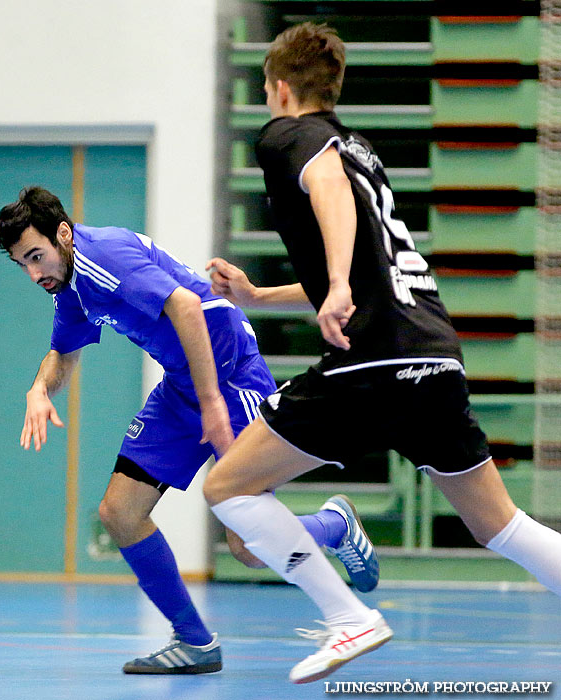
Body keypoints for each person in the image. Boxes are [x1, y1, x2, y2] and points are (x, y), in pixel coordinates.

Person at [203, 22, 561, 684]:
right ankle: (351, 614)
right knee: (499, 524)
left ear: (279, 89)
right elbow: (366, 262)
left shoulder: (290, 136)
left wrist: (336, 285)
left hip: (372, 363)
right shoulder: (360, 149)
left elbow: (329, 198)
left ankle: (350, 619)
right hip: (432, 353)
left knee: (228, 485)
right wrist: (262, 292)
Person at [0, 186, 379, 675]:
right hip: (183, 385)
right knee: (119, 513)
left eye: (36, 257)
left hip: (231, 373)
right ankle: (194, 641)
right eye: (22, 264)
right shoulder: (68, 281)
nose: (34, 274)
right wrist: (38, 391)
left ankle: (336, 525)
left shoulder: (103, 258)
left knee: (247, 548)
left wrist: (214, 400)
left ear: (64, 235)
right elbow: (64, 352)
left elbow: (185, 306)